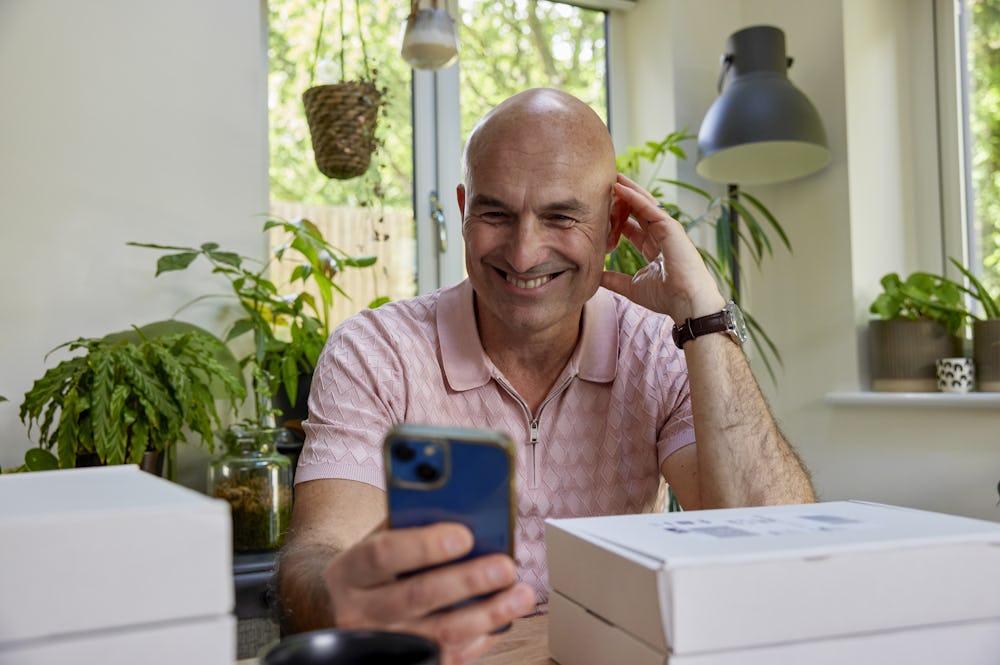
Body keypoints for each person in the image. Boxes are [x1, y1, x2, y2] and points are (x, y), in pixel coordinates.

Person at [276, 88, 815, 664]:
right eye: (495, 213)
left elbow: (775, 547)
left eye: (560, 216)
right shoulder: (375, 351)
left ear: (613, 227)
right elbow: (318, 552)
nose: (525, 252)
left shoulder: (661, 349)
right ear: (463, 211)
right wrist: (346, 597)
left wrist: (704, 318)